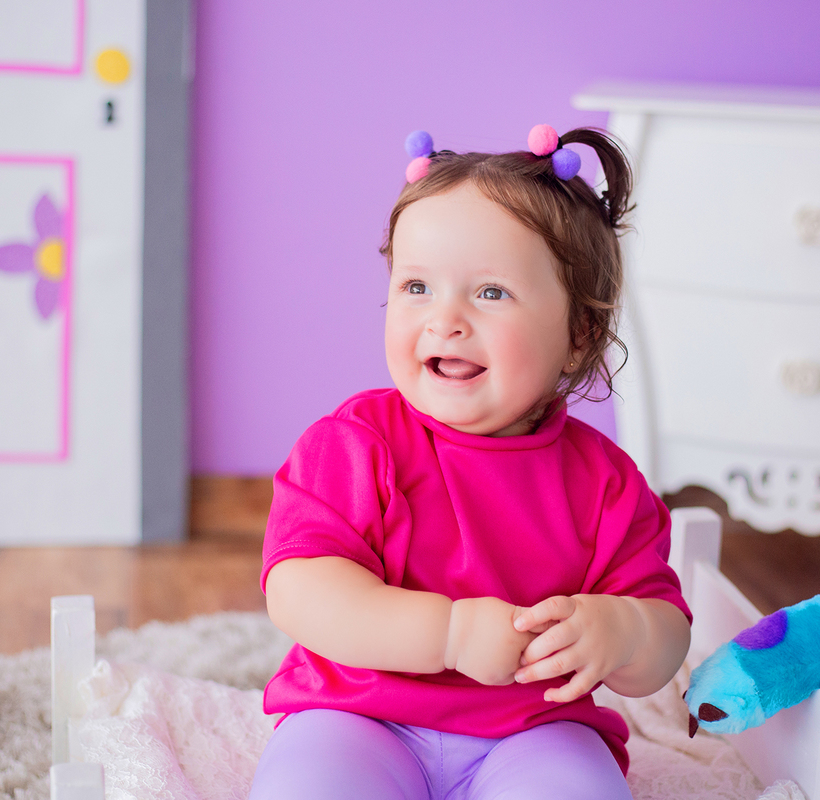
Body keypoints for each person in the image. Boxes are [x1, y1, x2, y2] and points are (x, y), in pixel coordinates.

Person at [248, 125, 692, 800]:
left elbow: (664, 636)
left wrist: (624, 632)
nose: (444, 319)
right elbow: (300, 589)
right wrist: (449, 635)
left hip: (534, 730)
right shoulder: (355, 444)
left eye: (490, 293)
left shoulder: (605, 484)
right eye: (417, 287)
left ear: (578, 336)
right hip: (358, 713)